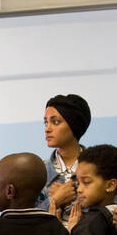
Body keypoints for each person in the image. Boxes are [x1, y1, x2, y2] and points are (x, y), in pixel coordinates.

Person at [38, 94, 90, 223]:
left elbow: (112, 212)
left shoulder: (99, 167)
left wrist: (73, 201)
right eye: (46, 122)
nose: (47, 129)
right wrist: (55, 200)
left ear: (74, 125)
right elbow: (28, 220)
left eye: (55, 122)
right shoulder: (38, 171)